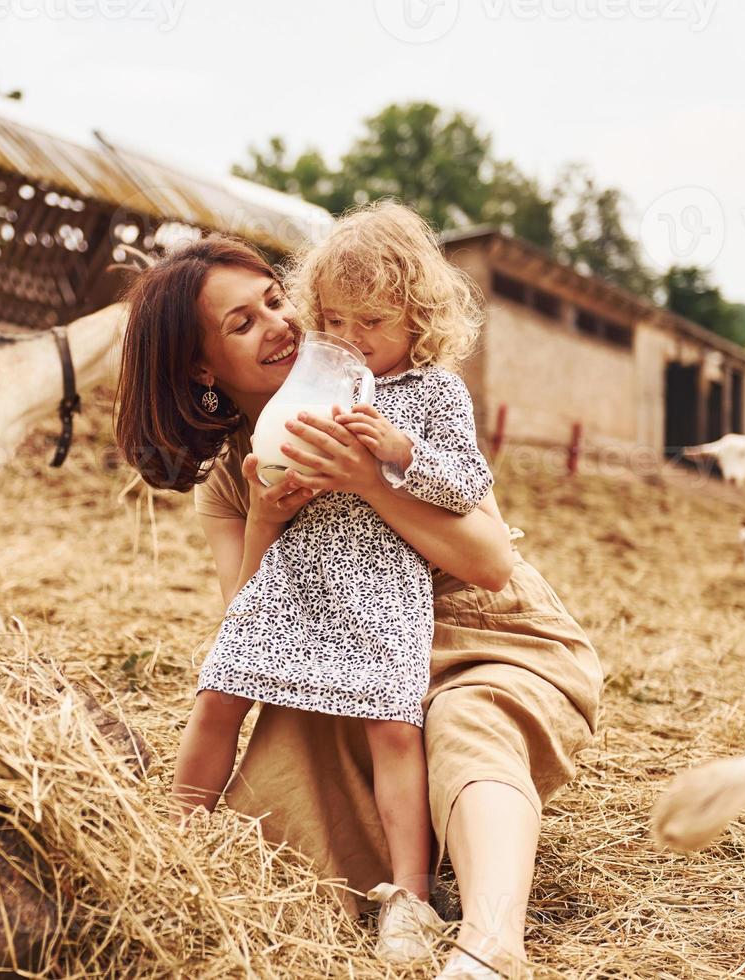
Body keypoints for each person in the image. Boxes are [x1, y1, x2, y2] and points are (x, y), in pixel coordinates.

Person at [113, 219, 602, 979]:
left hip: (484, 628)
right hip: (342, 639)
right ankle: (176, 863)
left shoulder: (394, 398)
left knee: (464, 723)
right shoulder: (228, 478)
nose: (281, 325)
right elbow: (250, 617)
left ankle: (491, 943)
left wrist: (373, 483)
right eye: (243, 323)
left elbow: (490, 563)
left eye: (276, 301)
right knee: (282, 794)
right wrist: (266, 517)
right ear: (202, 367)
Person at [168, 202, 496, 965]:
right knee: (219, 690)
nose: (347, 339)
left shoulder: (434, 395)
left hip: (381, 579)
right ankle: (171, 841)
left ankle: (409, 899)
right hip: (292, 570)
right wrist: (267, 499)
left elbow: (468, 484)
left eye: (371, 323)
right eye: (335, 319)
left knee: (393, 725)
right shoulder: (319, 370)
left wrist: (398, 451)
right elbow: (280, 449)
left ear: (419, 319)